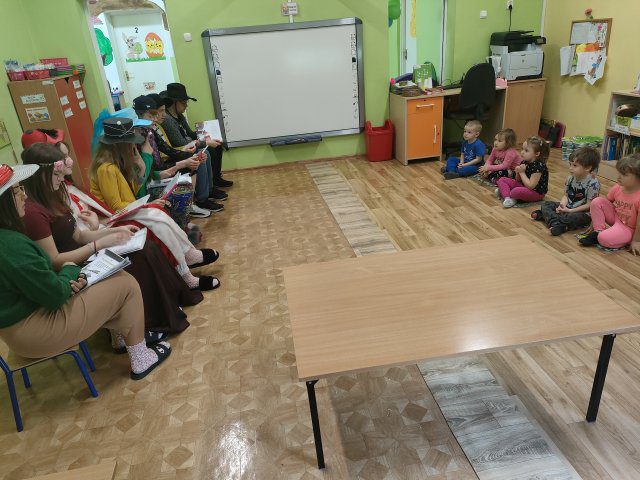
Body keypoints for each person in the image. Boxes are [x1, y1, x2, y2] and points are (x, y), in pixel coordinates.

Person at [0, 163, 170, 380]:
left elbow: (36, 283)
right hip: (35, 330)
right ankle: (141, 358)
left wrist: (69, 278)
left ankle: (123, 338)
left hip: (22, 328)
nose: (24, 195)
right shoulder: (11, 245)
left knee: (114, 278)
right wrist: (70, 272)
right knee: (127, 285)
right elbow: (55, 294)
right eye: (17, 191)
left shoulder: (9, 238)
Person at [21, 143, 202, 334]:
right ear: (40, 175)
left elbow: (79, 235)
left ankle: (170, 303)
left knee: (147, 247)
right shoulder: (34, 213)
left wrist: (112, 233)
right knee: (140, 256)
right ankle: (146, 322)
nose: (61, 178)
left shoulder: (54, 196)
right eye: (56, 174)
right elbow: (55, 261)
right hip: (75, 267)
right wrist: (98, 244)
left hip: (87, 253)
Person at [89, 116, 220, 291]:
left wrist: (141, 166)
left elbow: (133, 190)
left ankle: (188, 254)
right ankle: (186, 275)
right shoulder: (106, 169)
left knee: (160, 215)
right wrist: (145, 205)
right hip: (113, 220)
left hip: (129, 211)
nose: (133, 145)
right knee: (157, 221)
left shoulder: (118, 164)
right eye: (130, 142)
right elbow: (115, 207)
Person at [160, 82, 231, 212]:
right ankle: (203, 198)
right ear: (174, 103)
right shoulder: (168, 120)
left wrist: (206, 134)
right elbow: (181, 142)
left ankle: (213, 184)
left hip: (189, 147)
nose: (186, 105)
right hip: (180, 152)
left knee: (216, 146)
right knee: (205, 153)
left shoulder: (179, 116)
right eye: (183, 103)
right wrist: (205, 142)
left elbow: (189, 133)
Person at [531, 147, 601, 236]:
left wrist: (570, 210)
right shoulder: (570, 178)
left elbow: (589, 205)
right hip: (568, 207)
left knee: (574, 217)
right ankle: (556, 223)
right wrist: (562, 206)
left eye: (575, 165)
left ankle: (549, 218)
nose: (570, 168)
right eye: (570, 164)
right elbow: (566, 196)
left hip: (582, 213)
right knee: (546, 204)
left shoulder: (593, 183)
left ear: (587, 167)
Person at [579, 154, 640, 254]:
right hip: (617, 219)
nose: (619, 177)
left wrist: (636, 241)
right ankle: (598, 231)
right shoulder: (618, 187)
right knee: (597, 201)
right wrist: (595, 220)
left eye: (624, 174)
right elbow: (604, 203)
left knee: (604, 238)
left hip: (631, 228)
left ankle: (620, 238)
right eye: (619, 172)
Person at [496, 136, 549, 208]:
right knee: (502, 179)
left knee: (515, 191)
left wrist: (522, 173)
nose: (522, 152)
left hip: (536, 192)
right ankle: (507, 198)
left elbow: (530, 186)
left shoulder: (539, 166)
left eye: (526, 150)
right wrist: (517, 172)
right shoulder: (524, 161)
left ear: (536, 154)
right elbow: (518, 180)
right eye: (522, 149)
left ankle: (506, 192)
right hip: (523, 186)